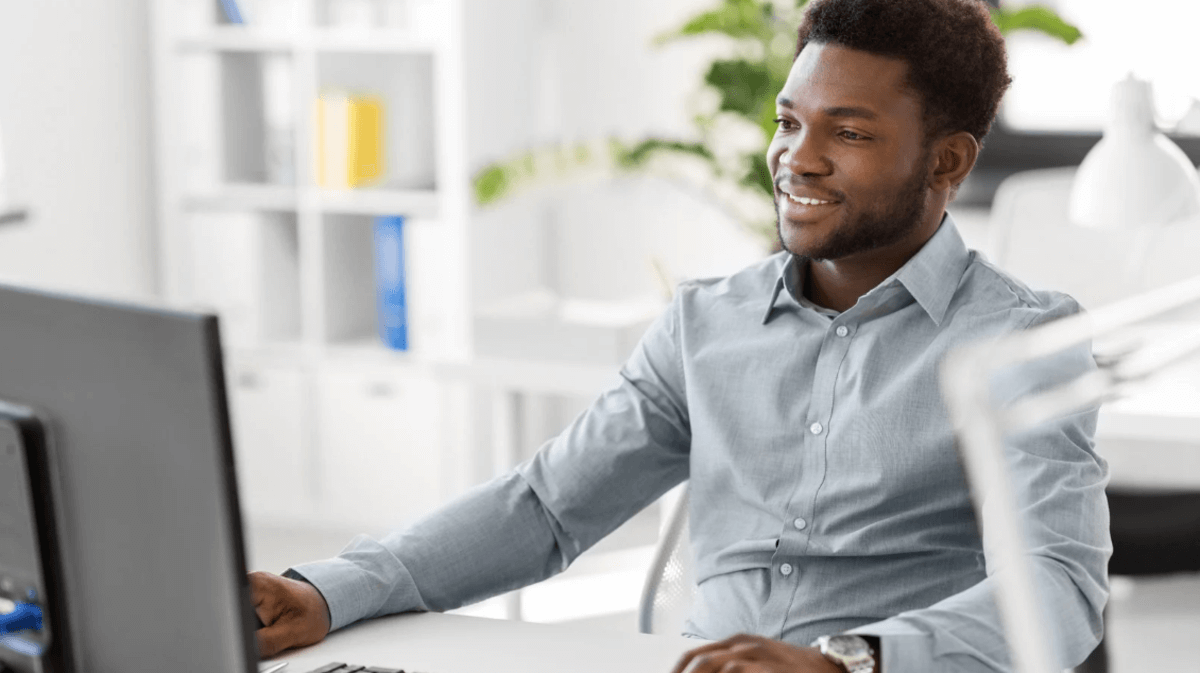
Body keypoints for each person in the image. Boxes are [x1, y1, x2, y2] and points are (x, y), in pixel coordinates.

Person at [249, 0, 1111, 671]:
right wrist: (328, 592)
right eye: (788, 121)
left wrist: (841, 662)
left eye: (848, 133)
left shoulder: (1018, 341)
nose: (796, 159)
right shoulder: (708, 324)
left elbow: (1056, 591)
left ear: (947, 162)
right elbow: (547, 507)